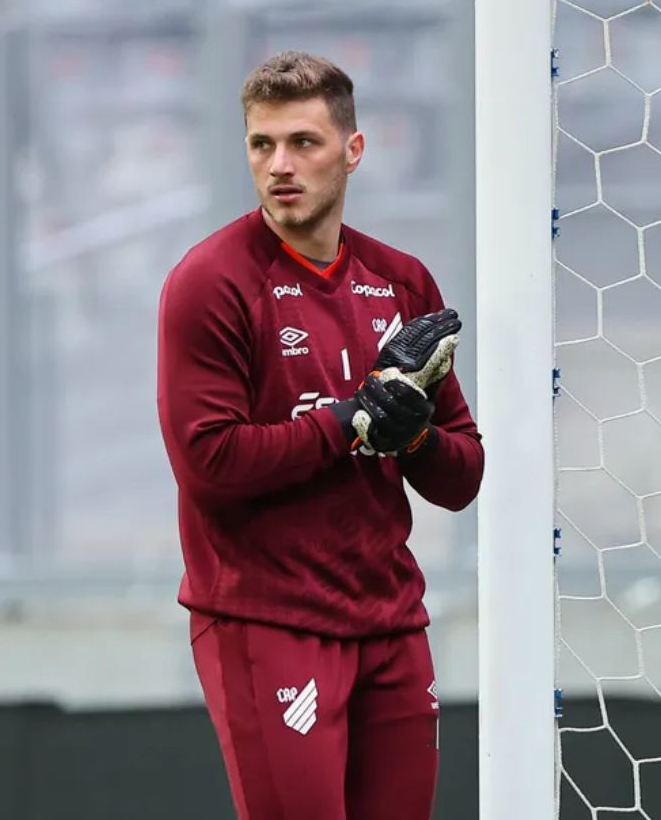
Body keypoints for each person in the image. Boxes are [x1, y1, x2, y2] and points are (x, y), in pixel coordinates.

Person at [156, 50, 484, 820]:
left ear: (353, 149)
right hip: (268, 620)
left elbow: (461, 475)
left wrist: (410, 437)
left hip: (391, 621)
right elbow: (210, 462)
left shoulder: (402, 282)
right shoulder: (210, 282)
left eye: (303, 141)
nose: (279, 165)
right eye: (261, 144)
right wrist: (351, 420)